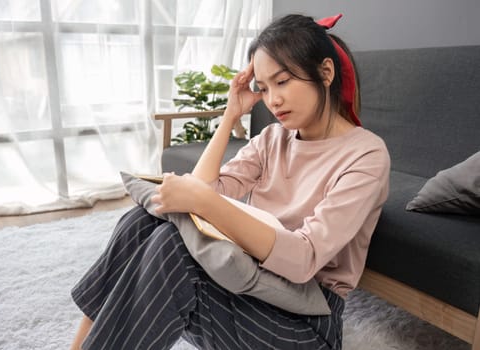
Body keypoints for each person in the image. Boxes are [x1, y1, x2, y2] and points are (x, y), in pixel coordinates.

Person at [69, 13, 390, 350]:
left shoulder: (366, 154)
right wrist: (230, 115)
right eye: (263, 88)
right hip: (254, 286)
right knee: (144, 220)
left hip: (306, 322)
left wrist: (204, 202)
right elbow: (204, 191)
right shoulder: (272, 139)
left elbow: (304, 259)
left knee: (173, 248)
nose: (272, 100)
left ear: (325, 73)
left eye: (282, 82)